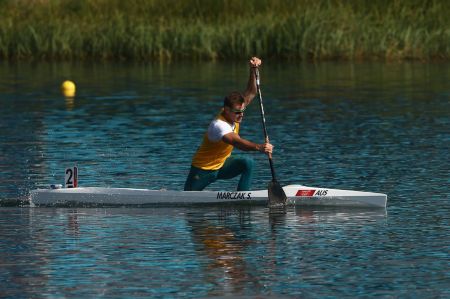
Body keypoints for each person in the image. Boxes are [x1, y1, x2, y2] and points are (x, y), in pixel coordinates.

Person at [184, 57, 273, 191]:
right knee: (188, 202)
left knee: (247, 163)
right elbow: (238, 143)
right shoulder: (219, 125)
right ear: (226, 110)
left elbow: (252, 92)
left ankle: (242, 198)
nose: (241, 114)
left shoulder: (234, 111)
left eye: (242, 110)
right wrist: (260, 147)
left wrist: (253, 69)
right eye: (238, 112)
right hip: (203, 170)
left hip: (222, 166)